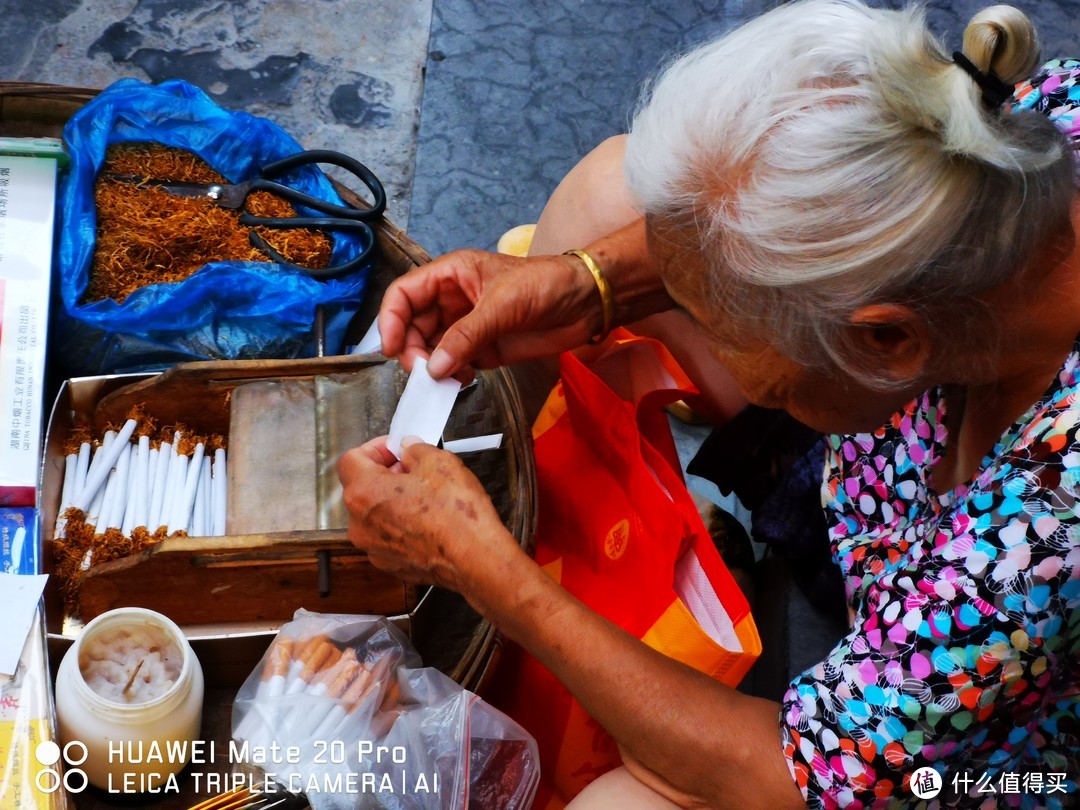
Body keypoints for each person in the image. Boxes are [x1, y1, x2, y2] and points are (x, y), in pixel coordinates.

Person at [337, 1, 1079, 806]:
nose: (695, 324)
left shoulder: (1041, 526)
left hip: (960, 755)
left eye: (721, 324)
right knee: (605, 191)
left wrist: (487, 573)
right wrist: (591, 282)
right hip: (882, 492)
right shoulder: (1006, 134)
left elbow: (793, 781)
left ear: (888, 343)